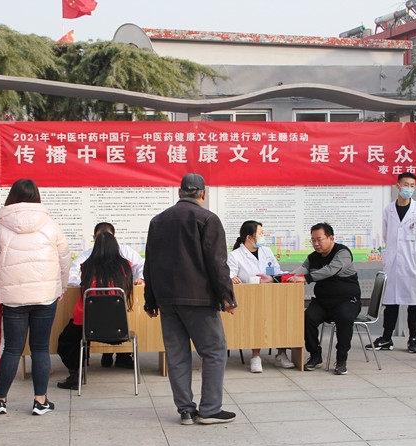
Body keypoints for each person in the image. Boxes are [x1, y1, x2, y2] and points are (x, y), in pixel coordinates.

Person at [143, 173, 237, 425]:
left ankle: (185, 410)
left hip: (166, 299)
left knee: (177, 355)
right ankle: (210, 409)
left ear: (180, 192)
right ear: (203, 194)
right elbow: (218, 263)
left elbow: (149, 263)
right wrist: (227, 297)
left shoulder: (157, 221)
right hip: (199, 299)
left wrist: (150, 300)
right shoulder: (207, 219)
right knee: (214, 351)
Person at [0, 178, 71, 415]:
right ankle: (40, 401)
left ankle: (0, 401)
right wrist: (61, 288)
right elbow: (64, 261)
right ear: (37, 196)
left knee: (12, 349)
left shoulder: (0, 229)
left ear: (12, 197)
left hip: (13, 298)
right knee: (40, 348)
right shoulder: (51, 226)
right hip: (45, 297)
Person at [56, 232, 134, 390]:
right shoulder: (126, 265)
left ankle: (75, 375)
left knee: (66, 340)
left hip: (87, 325)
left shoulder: (86, 266)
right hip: (118, 327)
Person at [367, 172, 416, 354]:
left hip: (413, 263)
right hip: (394, 263)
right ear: (398, 186)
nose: (408, 189)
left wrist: (415, 251)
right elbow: (387, 235)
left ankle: (413, 339)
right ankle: (387, 338)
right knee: (391, 302)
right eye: (406, 185)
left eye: (412, 186)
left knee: (414, 303)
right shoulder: (389, 210)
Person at [286, 223, 360, 376]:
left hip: (346, 301)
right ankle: (315, 356)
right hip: (323, 302)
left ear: (331, 238)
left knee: (344, 317)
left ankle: (341, 360)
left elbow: (330, 270)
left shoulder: (343, 253)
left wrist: (306, 278)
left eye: (319, 239)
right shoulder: (313, 257)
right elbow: (298, 272)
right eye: (313, 240)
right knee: (307, 318)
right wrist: (275, 278)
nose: (316, 244)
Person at [67, 222, 143, 370]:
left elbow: (140, 266)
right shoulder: (91, 258)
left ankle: (118, 357)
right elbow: (73, 275)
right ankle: (109, 354)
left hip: (92, 325)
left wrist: (140, 279)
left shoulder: (88, 264)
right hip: (120, 324)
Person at [227, 220, 294, 371]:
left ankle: (281, 354)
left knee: (281, 318)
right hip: (249, 300)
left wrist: (287, 276)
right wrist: (232, 279)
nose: (263, 236)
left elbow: (276, 270)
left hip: (271, 296)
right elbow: (229, 275)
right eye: (260, 233)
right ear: (249, 237)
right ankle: (255, 357)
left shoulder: (266, 251)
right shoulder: (235, 255)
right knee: (256, 320)